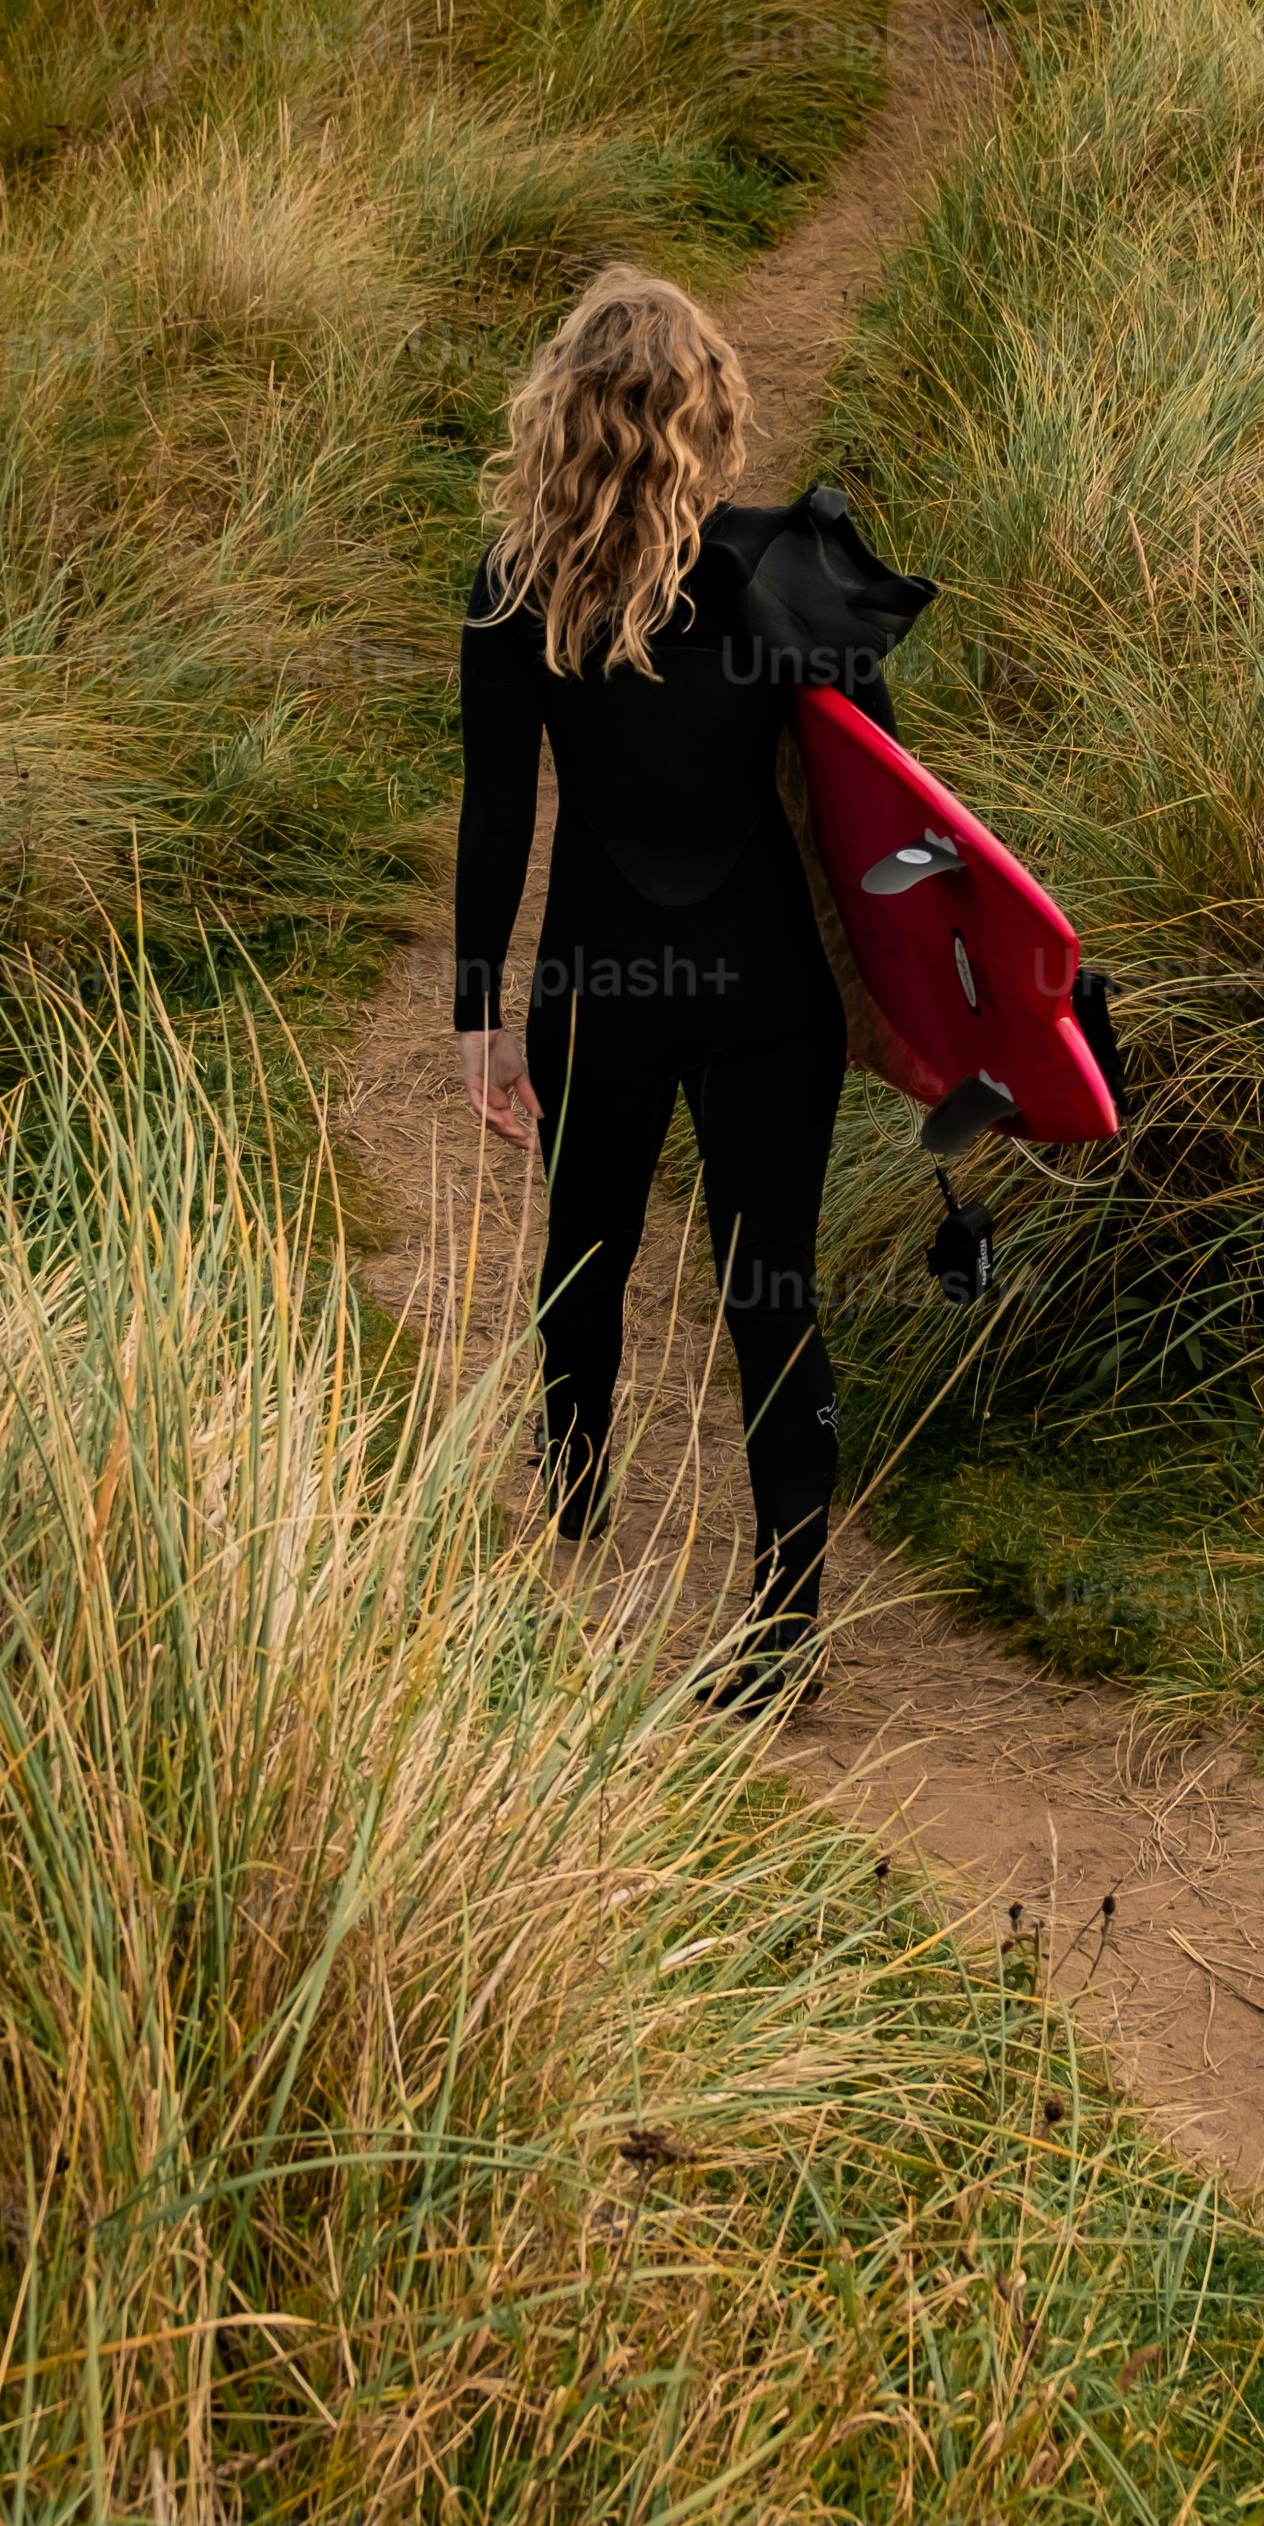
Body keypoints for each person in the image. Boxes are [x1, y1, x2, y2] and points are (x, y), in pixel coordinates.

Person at [448, 263, 886, 1717]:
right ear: (711, 412)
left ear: (560, 416)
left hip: (603, 980)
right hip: (770, 988)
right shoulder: (795, 564)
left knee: (587, 1245)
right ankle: (787, 1619)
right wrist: (929, 1020)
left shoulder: (520, 584)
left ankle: (571, 1516)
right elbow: (880, 813)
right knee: (773, 1288)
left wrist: (477, 1017)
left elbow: (498, 814)